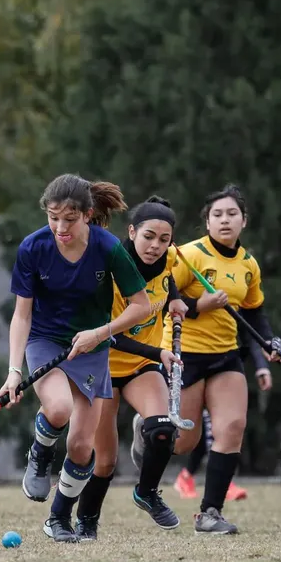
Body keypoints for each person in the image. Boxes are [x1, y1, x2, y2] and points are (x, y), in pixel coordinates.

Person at [0, 174, 151, 543]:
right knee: (59, 408)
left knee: (82, 447)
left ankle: (58, 519)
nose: (60, 228)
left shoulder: (108, 247)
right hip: (45, 341)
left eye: (69, 219)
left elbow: (141, 306)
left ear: (87, 214)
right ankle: (39, 453)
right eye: (53, 218)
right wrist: (14, 371)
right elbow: (22, 315)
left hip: (92, 349)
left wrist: (100, 333)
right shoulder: (33, 248)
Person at [150, 184, 281, 535]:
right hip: (184, 354)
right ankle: (146, 429)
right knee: (184, 442)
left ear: (244, 221)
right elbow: (160, 299)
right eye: (217, 215)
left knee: (232, 427)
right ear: (207, 222)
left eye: (232, 214)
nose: (225, 220)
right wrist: (199, 305)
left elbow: (254, 312)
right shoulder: (188, 256)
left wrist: (268, 342)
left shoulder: (248, 265)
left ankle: (210, 512)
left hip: (225, 355)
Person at [73, 196, 188, 539]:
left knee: (163, 430)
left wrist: (176, 298)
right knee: (105, 461)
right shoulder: (113, 272)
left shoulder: (170, 258)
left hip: (141, 367)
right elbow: (110, 337)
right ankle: (86, 522)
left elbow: (168, 277)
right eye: (148, 237)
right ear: (132, 231)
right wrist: (158, 352)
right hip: (103, 367)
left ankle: (146, 492)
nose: (155, 246)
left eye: (164, 239)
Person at [170, 325, 272, 500]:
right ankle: (152, 425)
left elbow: (249, 330)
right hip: (188, 360)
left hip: (224, 363)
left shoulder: (232, 312)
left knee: (224, 430)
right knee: (187, 439)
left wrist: (261, 366)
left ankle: (219, 487)